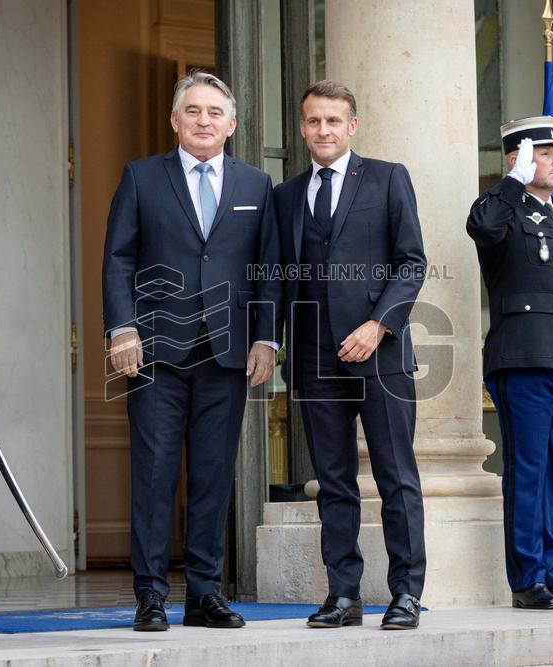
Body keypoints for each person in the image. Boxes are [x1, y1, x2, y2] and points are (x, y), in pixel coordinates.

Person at [102, 71, 283, 632]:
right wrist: (121, 329)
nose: (204, 121)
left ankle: (205, 594)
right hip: (156, 351)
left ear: (232, 125)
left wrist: (266, 337)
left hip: (227, 353)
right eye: (193, 111)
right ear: (175, 121)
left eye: (214, 112)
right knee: (154, 476)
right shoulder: (141, 178)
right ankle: (151, 595)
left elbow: (268, 270)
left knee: (212, 475)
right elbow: (118, 260)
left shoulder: (257, 185)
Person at [274, 80, 427, 630]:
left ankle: (406, 594)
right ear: (302, 126)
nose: (323, 131)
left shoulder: (388, 178)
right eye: (313, 121)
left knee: (395, 478)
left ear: (352, 125)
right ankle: (344, 595)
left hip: (380, 358)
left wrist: (378, 325)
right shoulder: (285, 195)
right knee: (333, 483)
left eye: (333, 121)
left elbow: (412, 263)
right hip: (314, 360)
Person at [466, 115, 553, 610]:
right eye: (543, 153)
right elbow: (481, 228)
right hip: (524, 359)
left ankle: (550, 566)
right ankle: (527, 578)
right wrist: (510, 182)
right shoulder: (502, 208)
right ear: (518, 159)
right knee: (527, 470)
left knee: (551, 469)